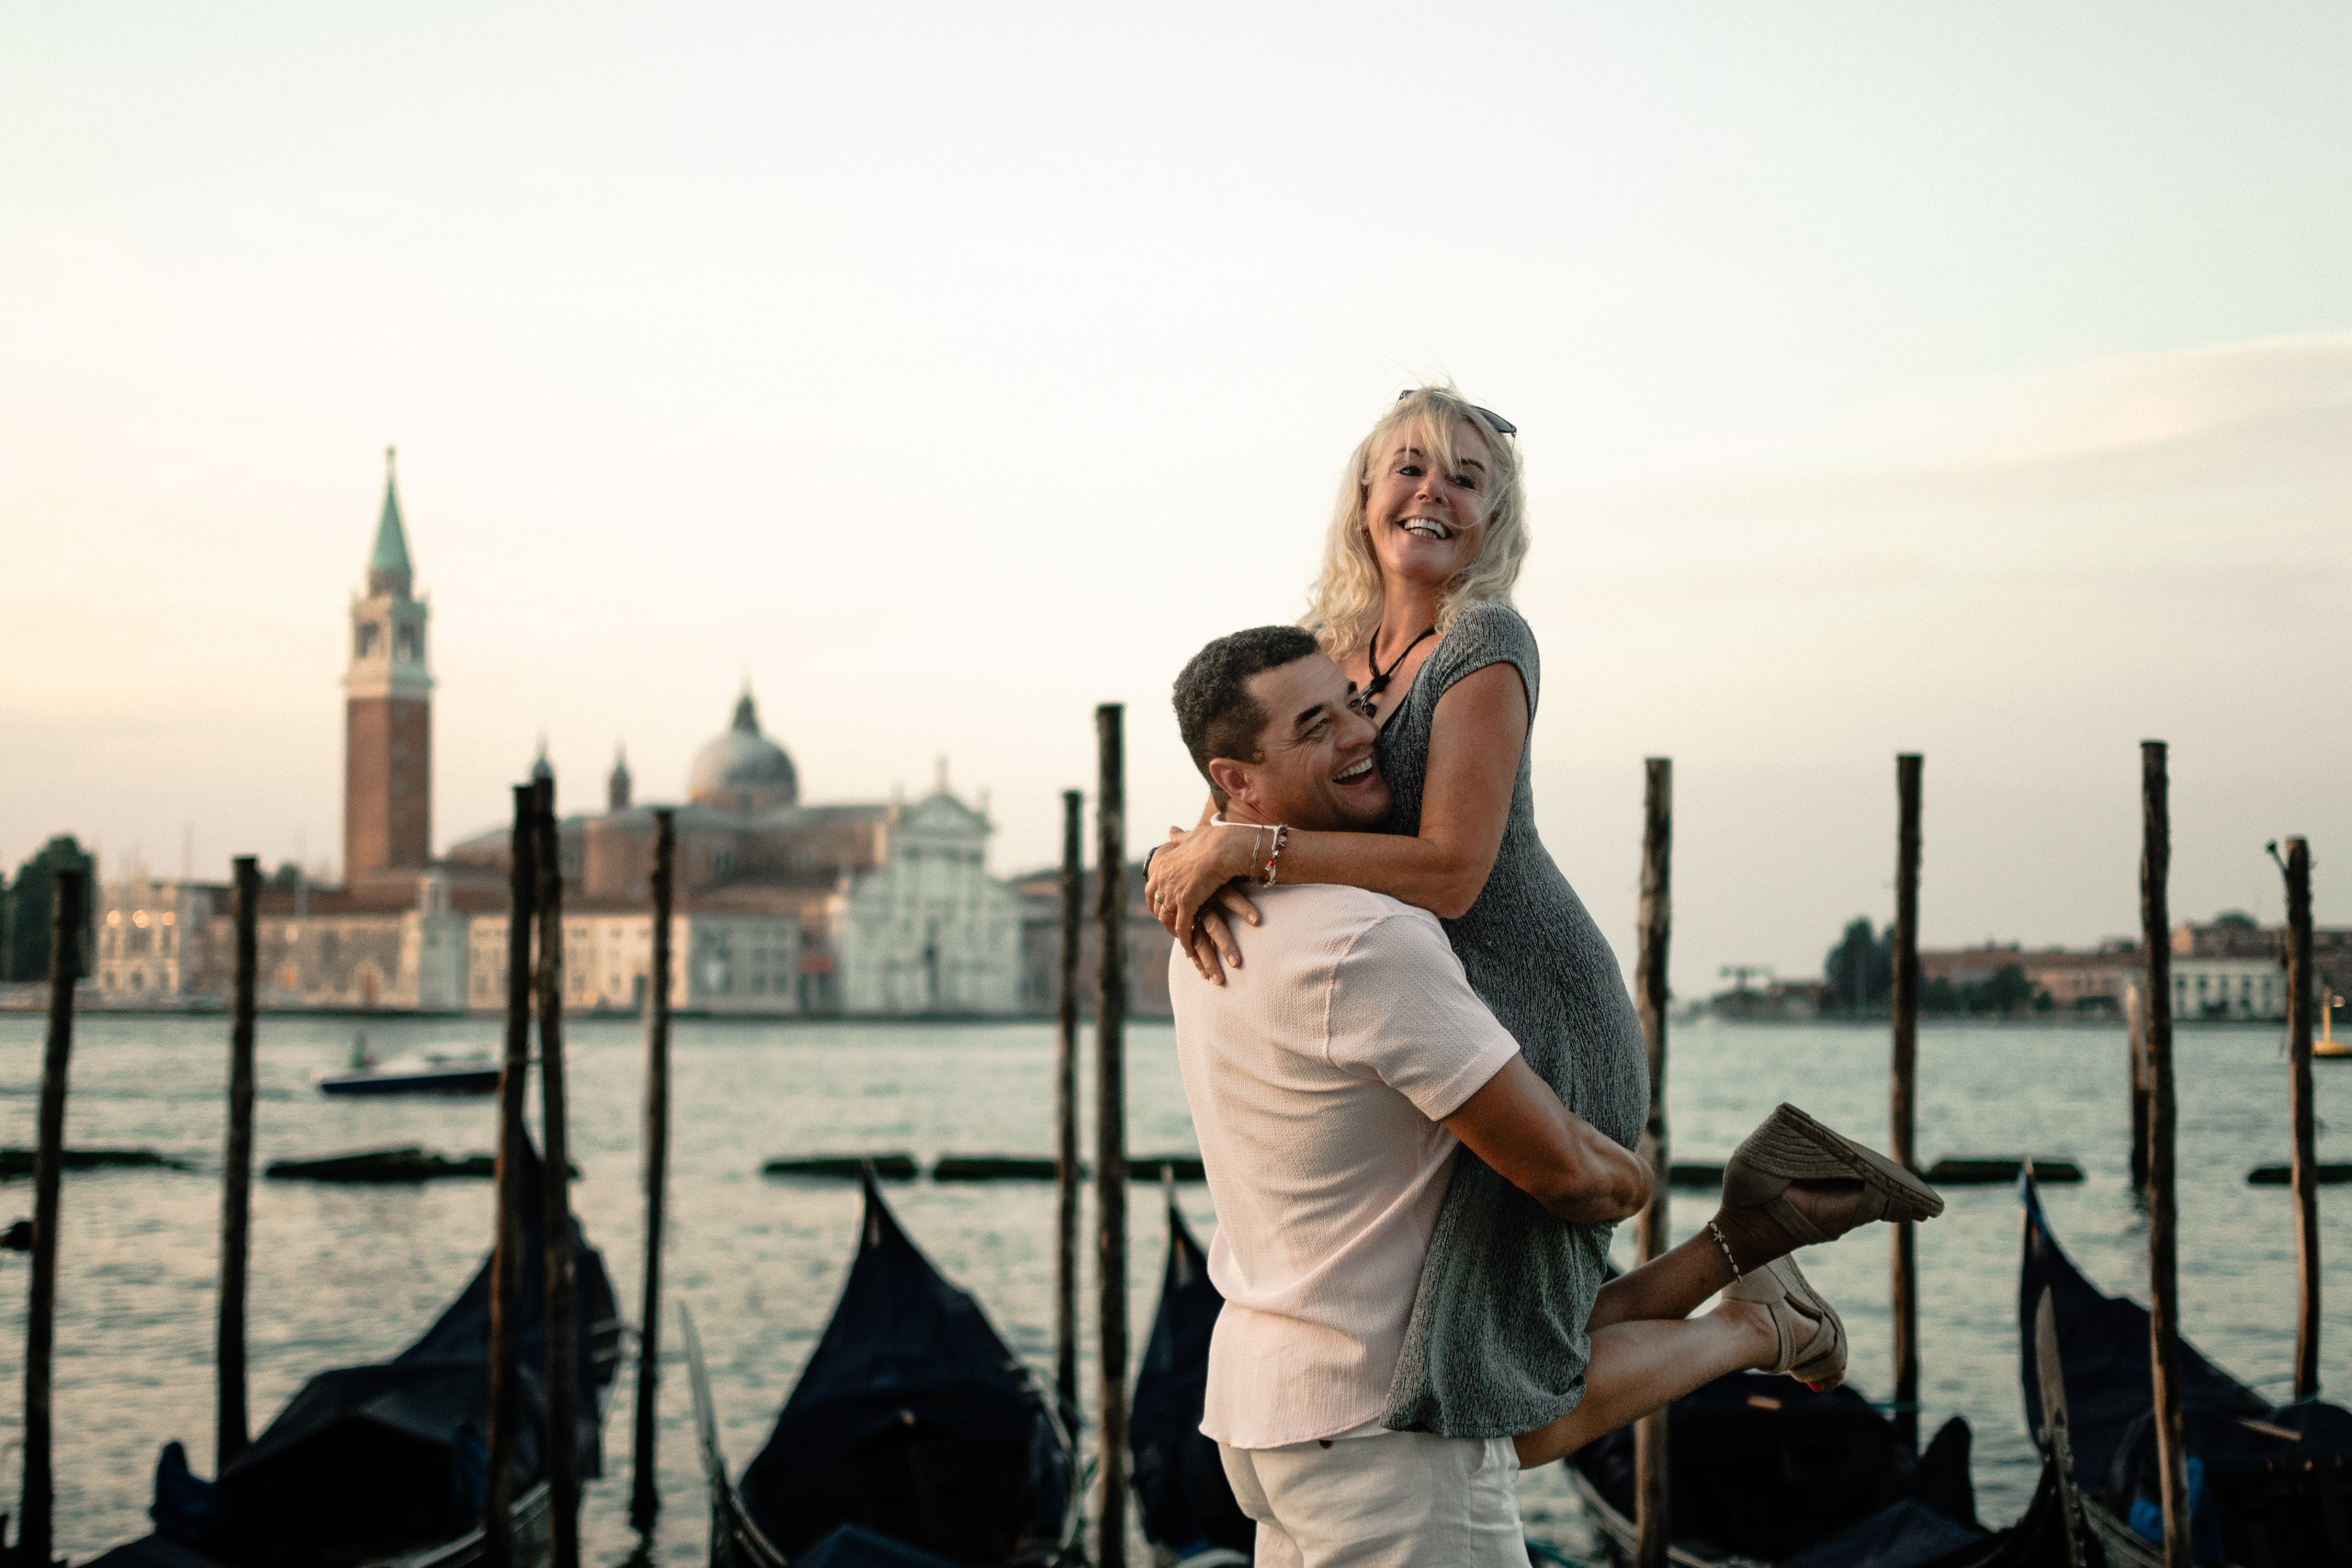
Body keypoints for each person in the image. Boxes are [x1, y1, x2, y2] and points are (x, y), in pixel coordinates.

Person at [1166, 626, 1943, 1567]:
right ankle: (1752, 1308)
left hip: (1268, 1418)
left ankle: (1749, 1273)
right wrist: (1633, 1173)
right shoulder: (1363, 940)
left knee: (1510, 1338)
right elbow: (1573, 1180)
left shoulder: (1203, 922)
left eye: (1357, 704)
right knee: (1520, 1332)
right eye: (1313, 725)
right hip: (1386, 1442)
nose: (1358, 733)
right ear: (1236, 783)